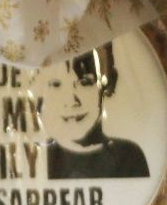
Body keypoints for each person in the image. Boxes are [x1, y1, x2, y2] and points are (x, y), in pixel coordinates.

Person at [38, 44, 150, 180]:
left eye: (85, 82)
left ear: (109, 83)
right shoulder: (39, 158)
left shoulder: (129, 157)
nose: (71, 100)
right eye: (56, 84)